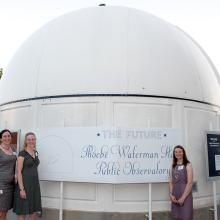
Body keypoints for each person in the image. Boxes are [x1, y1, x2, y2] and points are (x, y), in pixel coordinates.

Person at [13, 132, 42, 220]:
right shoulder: (22, 154)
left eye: (33, 139)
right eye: (29, 139)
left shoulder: (35, 152)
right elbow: (18, 172)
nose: (31, 141)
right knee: (22, 211)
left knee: (33, 211)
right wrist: (22, 189)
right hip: (25, 185)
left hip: (34, 185)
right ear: (26, 141)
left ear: (35, 140)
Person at [169, 145, 193, 220]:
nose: (178, 153)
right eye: (176, 152)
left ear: (183, 153)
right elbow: (170, 182)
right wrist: (171, 195)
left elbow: (190, 183)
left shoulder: (188, 165)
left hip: (185, 195)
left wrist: (183, 198)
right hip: (175, 195)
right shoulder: (173, 166)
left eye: (180, 151)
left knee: (186, 216)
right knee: (177, 217)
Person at [0, 129, 17, 220]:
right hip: (1, 184)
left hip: (11, 185)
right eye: (4, 136)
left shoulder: (13, 149)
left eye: (9, 136)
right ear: (1, 139)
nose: (7, 138)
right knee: (1, 210)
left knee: (5, 209)